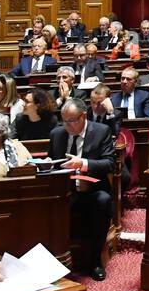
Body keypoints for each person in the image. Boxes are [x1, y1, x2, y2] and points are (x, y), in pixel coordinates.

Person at [47, 100, 115, 280]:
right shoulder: (57, 134)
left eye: (71, 120)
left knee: (103, 201)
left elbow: (110, 163)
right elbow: (53, 163)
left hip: (93, 190)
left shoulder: (101, 132)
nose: (67, 125)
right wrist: (47, 164)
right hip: (65, 192)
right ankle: (54, 260)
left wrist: (83, 164)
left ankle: (95, 261)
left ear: (83, 116)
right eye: (64, 121)